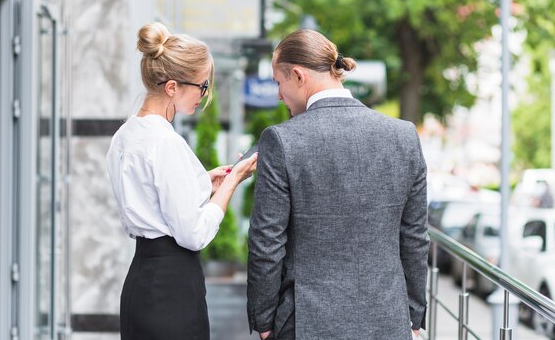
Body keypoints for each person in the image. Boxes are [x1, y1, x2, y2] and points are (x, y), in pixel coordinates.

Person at [246, 29, 429, 340]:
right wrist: (413, 316)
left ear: (298, 75)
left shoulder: (282, 140)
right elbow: (414, 237)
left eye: (279, 83)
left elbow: (266, 242)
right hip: (387, 320)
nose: (279, 94)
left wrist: (264, 321)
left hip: (306, 323)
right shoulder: (403, 136)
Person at [106, 22, 257, 340]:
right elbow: (193, 234)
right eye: (202, 86)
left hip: (141, 281)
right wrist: (233, 182)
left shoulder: (125, 135)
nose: (204, 97)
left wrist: (202, 184)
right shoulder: (165, 141)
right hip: (172, 288)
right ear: (172, 87)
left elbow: (151, 199)